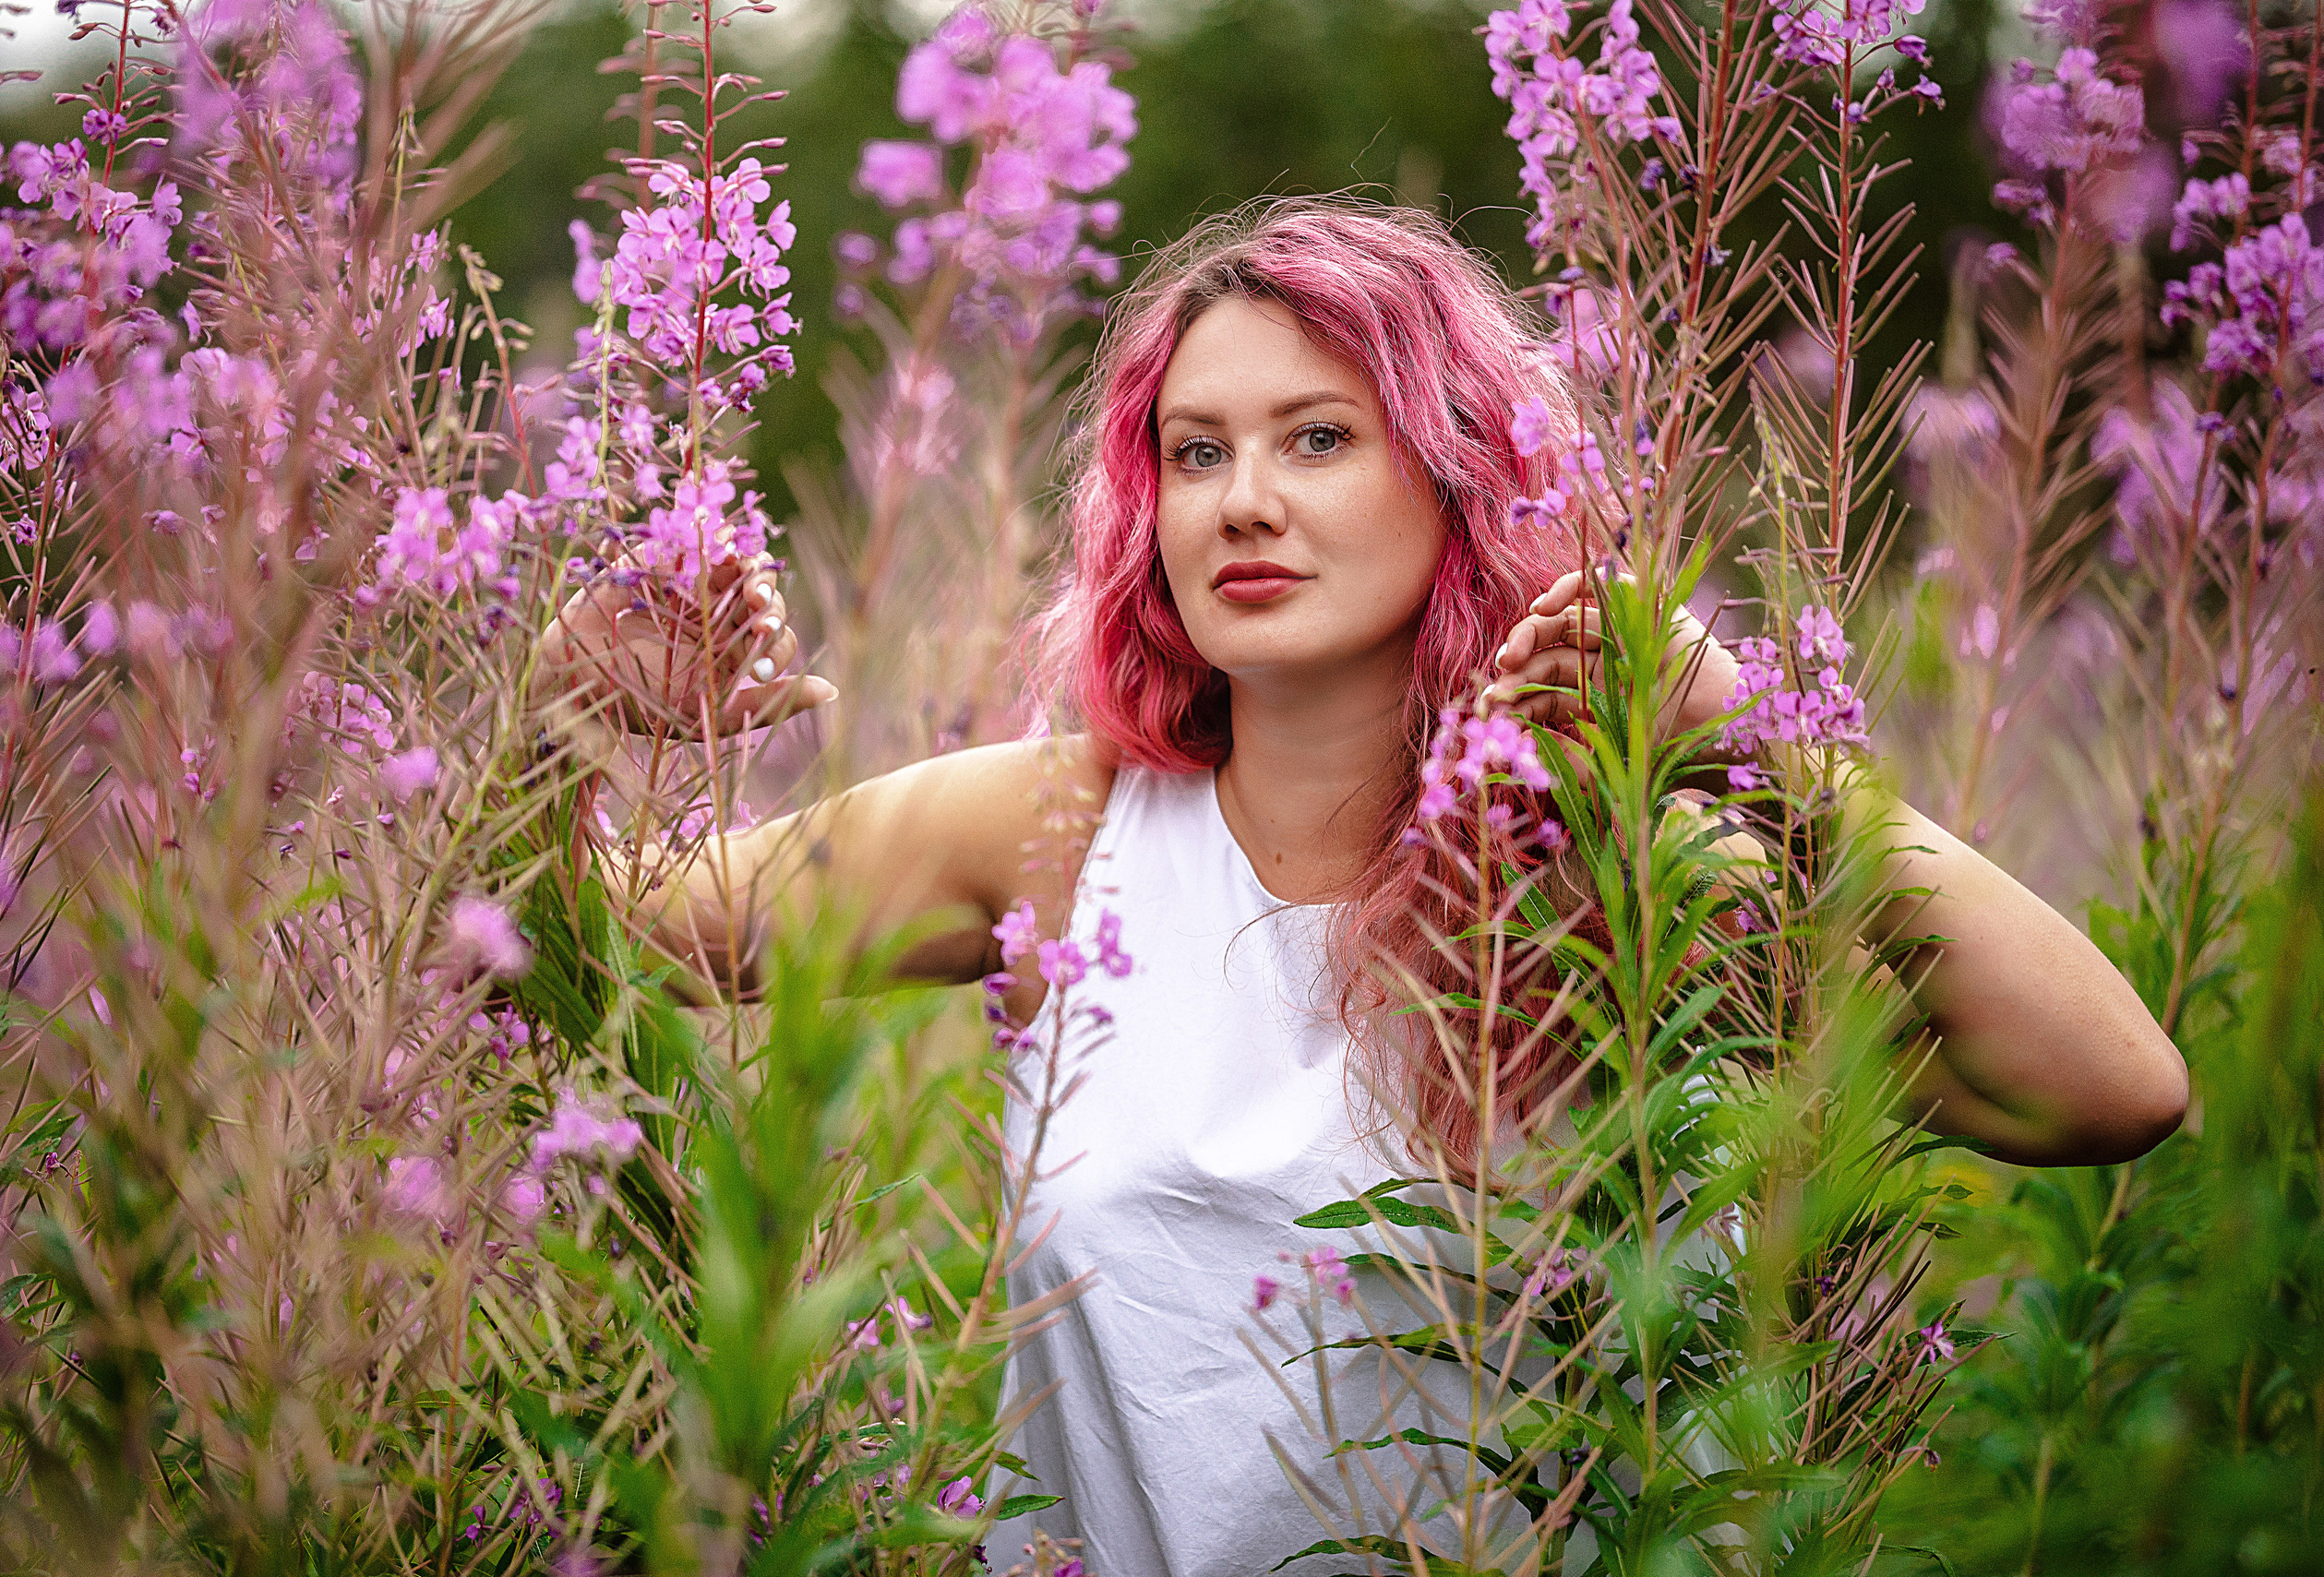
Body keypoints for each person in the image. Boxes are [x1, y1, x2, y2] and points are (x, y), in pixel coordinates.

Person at [538, 197, 2187, 1575]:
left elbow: (2108, 1088)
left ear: (1460, 475)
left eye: (1318, 437)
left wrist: (1748, 742)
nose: (1243, 497)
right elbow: (607, 929)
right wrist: (562, 721)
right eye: (1197, 452)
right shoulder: (1060, 833)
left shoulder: (1629, 873)